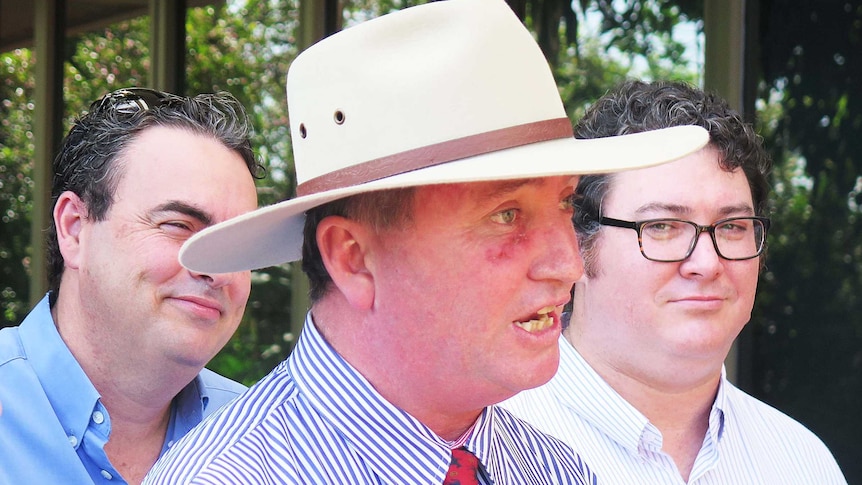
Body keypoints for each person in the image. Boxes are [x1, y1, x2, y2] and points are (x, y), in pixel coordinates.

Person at [144, 2, 709, 484]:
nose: (568, 264)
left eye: (565, 203)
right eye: (506, 214)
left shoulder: (552, 469)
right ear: (353, 258)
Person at [501, 80, 847, 483]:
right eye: (662, 225)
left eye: (732, 226)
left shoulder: (802, 464)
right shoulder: (478, 454)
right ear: (577, 243)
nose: (706, 262)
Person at [0, 88, 263, 484]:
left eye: (239, 243)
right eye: (179, 226)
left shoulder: (265, 442)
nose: (220, 272)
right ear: (74, 229)